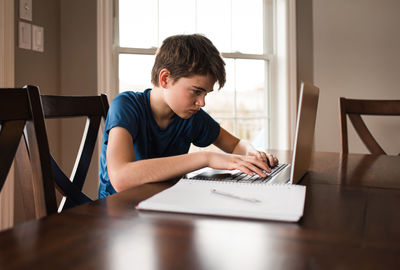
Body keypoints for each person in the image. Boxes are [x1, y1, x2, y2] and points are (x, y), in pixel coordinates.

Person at [98, 34, 278, 198]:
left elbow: (236, 144)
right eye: (196, 91)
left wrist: (253, 154)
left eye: (205, 94)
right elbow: (121, 178)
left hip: (164, 202)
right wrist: (206, 158)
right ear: (165, 79)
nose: (202, 102)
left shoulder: (191, 116)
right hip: (118, 211)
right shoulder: (126, 105)